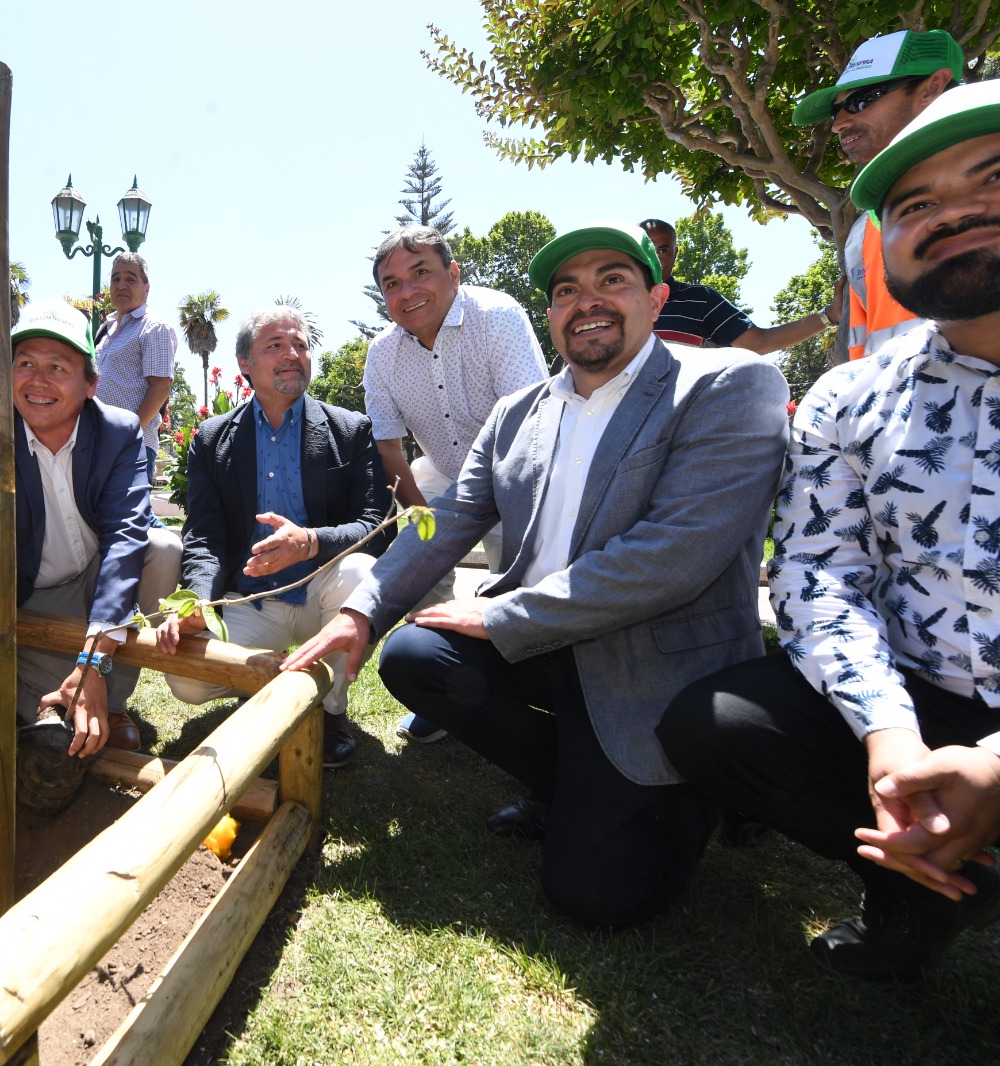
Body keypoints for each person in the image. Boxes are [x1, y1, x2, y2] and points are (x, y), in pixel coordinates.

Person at [285, 223, 789, 928]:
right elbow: (451, 520)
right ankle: (567, 781)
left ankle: (700, 790)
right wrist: (361, 611)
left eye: (612, 280)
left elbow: (673, 557)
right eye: (566, 290)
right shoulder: (518, 413)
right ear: (550, 315)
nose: (588, 301)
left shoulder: (730, 384)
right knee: (414, 656)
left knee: (595, 897)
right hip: (550, 650)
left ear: (657, 297)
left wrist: (500, 617)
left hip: (651, 662)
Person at [659, 80, 1000, 983]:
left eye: (991, 179)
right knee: (713, 722)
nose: (953, 215)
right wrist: (890, 738)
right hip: (905, 688)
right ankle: (927, 878)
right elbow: (816, 572)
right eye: (915, 202)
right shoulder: (854, 396)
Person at [0, 301, 181, 794]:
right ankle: (30, 700)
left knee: (161, 548)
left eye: (58, 368)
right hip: (15, 602)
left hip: (92, 591)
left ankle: (109, 699)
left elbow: (127, 539)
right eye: (25, 364)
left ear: (90, 385)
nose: (37, 381)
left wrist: (90, 666)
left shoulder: (119, 431)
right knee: (15, 723)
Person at [155, 306, 388, 768]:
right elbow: (204, 536)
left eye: (299, 344)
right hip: (250, 600)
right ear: (245, 363)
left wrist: (311, 542)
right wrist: (198, 601)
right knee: (186, 682)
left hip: (325, 595)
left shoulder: (350, 429)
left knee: (361, 571)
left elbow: (378, 526)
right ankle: (259, 684)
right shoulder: (211, 438)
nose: (291, 354)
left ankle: (328, 711)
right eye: (275, 346)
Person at [363, 224, 549, 744]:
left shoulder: (498, 316)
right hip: (442, 466)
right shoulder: (382, 353)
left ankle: (527, 693)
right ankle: (445, 689)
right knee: (418, 567)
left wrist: (494, 508)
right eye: (391, 284)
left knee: (517, 585)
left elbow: (529, 424)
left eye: (420, 272)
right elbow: (388, 446)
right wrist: (423, 520)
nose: (406, 291)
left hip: (519, 466)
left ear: (453, 273)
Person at [792, 29, 963, 360]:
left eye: (860, 100)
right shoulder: (862, 234)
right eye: (834, 111)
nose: (839, 123)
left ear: (931, 88)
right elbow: (864, 365)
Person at [638, 217, 844, 353]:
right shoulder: (610, 301)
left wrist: (829, 315)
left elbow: (758, 342)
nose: (654, 259)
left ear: (675, 254)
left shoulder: (700, 300)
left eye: (662, 251)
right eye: (646, 250)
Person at [94, 251, 176, 472]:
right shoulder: (107, 329)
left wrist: (128, 435)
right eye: (116, 278)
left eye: (130, 279)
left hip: (131, 446)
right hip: (96, 444)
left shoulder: (154, 326)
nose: (121, 285)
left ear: (146, 288)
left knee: (124, 508)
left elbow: (160, 387)